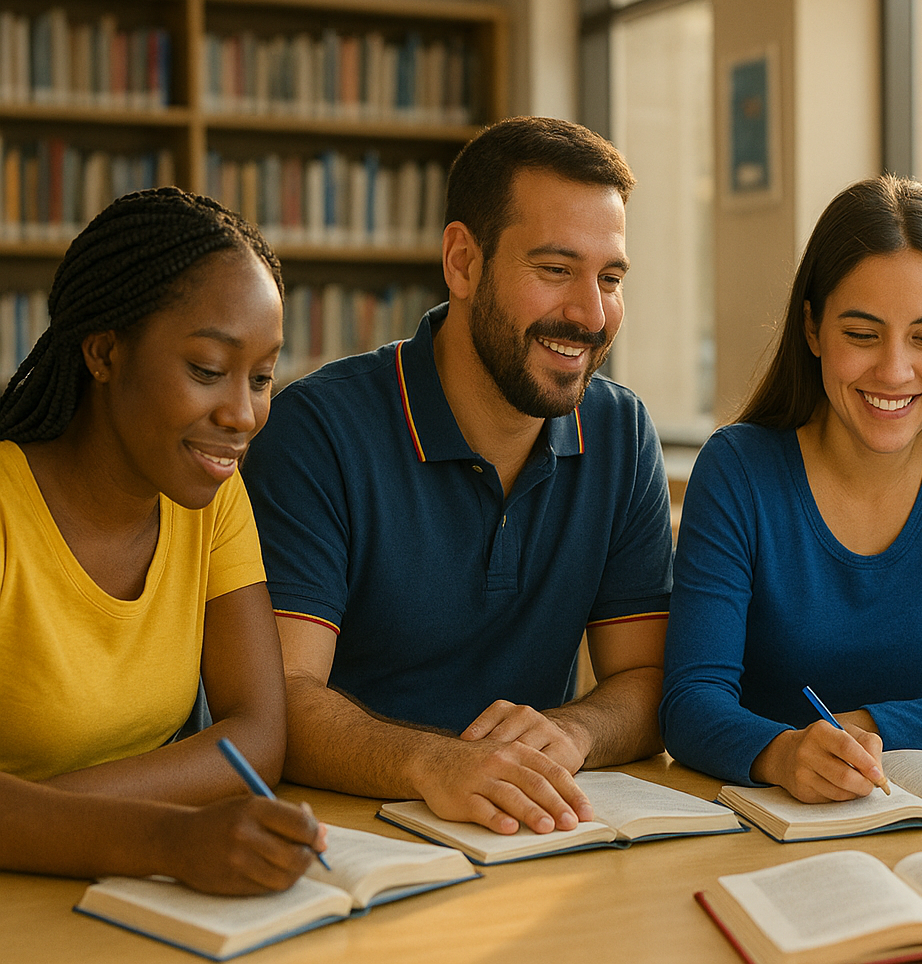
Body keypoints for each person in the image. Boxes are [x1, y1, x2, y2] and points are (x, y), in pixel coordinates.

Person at [242, 117, 672, 837]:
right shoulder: (318, 430)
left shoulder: (623, 436)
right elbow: (280, 695)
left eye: (611, 278)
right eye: (556, 270)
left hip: (522, 836)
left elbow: (648, 681)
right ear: (463, 263)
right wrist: (432, 764)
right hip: (352, 840)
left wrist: (576, 732)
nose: (591, 315)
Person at [659, 176, 922, 802]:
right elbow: (689, 703)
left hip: (905, 804)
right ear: (813, 330)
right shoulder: (738, 470)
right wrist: (781, 752)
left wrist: (865, 727)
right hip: (761, 817)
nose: (895, 371)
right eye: (862, 335)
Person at [0, 187, 326, 894]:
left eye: (263, 378)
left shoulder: (212, 498)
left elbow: (257, 734)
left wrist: (37, 818)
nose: (243, 415)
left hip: (101, 893)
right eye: (208, 370)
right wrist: (164, 837)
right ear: (103, 352)